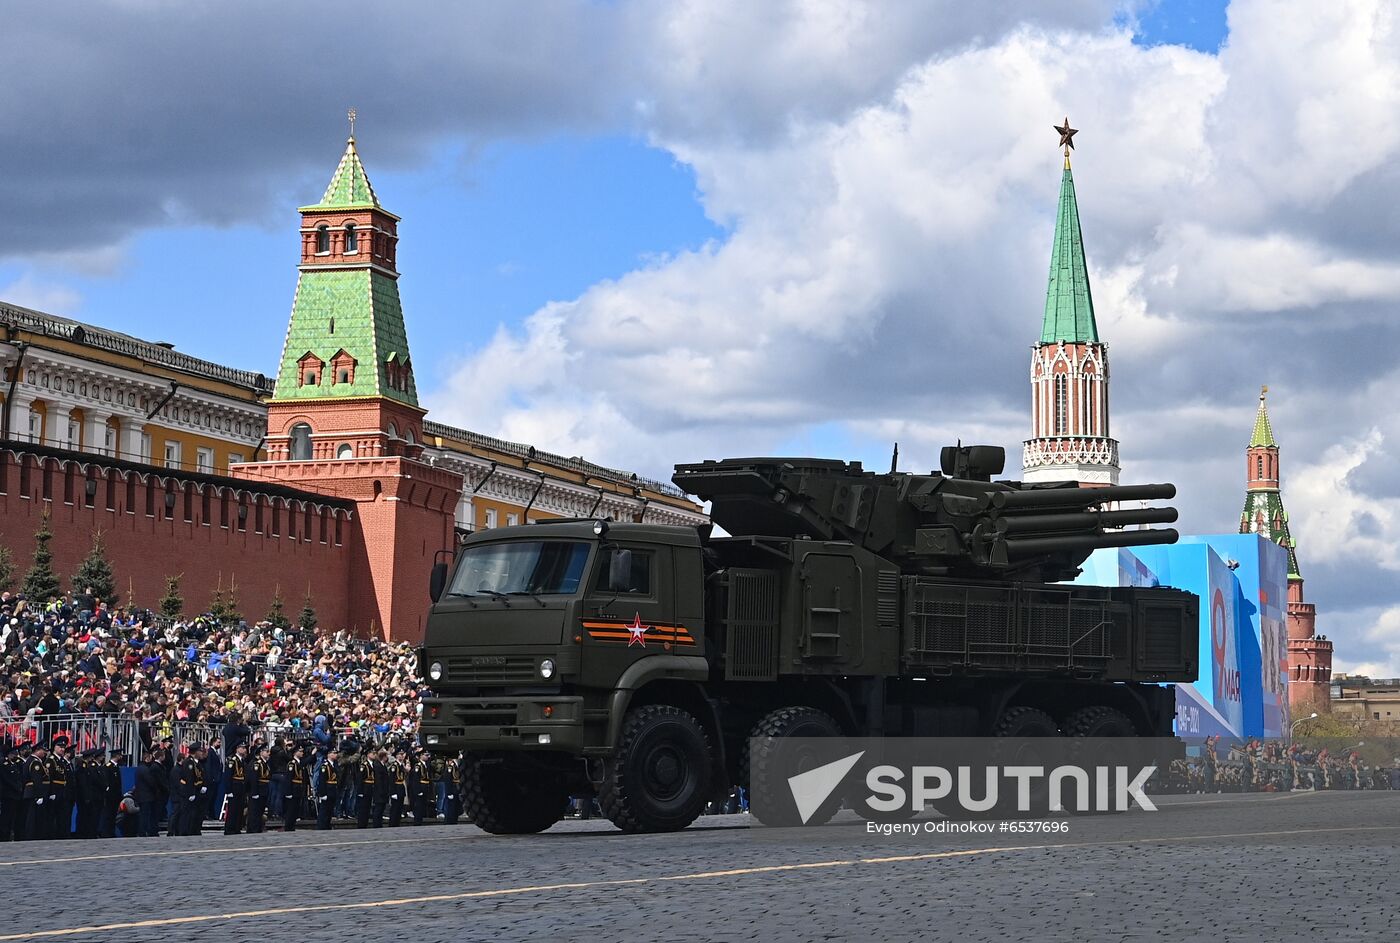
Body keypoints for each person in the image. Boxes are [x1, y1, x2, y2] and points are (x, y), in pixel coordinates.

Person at [22, 743, 52, 841]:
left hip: (31, 792)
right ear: (37, 750)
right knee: (32, 816)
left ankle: (32, 835)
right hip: (33, 792)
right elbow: (37, 780)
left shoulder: (33, 761)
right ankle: (31, 836)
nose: (45, 753)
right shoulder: (35, 762)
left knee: (33, 815)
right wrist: (40, 795)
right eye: (43, 750)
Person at [134, 752, 162, 837]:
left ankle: (143, 831)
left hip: (142, 796)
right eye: (150, 758)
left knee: (144, 814)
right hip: (146, 796)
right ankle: (143, 831)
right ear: (147, 758)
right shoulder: (145, 769)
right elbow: (151, 782)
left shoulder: (140, 768)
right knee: (145, 815)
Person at [223, 742, 249, 835]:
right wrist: (228, 790)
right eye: (242, 747)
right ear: (237, 749)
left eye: (245, 748)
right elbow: (228, 776)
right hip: (234, 786)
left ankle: (237, 828)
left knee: (239, 809)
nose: (244, 749)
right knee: (233, 810)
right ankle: (229, 829)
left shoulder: (242, 761)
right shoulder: (232, 760)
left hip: (241, 787)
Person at [284, 744, 308, 832]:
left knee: (296, 809)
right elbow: (289, 778)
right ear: (295, 753)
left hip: (298, 788)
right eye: (300, 751)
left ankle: (292, 825)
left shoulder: (299, 763)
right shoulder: (292, 764)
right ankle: (288, 826)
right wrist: (288, 792)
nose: (302, 753)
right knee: (291, 809)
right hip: (293, 788)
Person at [247, 744, 270, 834]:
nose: (268, 753)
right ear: (261, 752)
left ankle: (258, 827)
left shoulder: (265, 763)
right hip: (258, 790)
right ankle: (253, 829)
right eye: (266, 751)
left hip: (264, 790)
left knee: (260, 810)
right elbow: (254, 778)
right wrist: (254, 792)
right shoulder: (257, 763)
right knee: (254, 811)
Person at [316, 748, 340, 830]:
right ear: (329, 754)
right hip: (327, 790)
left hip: (333, 790)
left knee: (330, 810)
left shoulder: (334, 764)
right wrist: (322, 793)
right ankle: (321, 826)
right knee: (324, 810)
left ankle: (327, 825)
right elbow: (322, 780)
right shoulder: (325, 766)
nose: (336, 755)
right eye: (334, 753)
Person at [354, 749, 377, 829]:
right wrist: (360, 791)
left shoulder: (373, 764)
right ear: (368, 754)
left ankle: (365, 823)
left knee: (368, 807)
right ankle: (361, 824)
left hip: (371, 788)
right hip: (365, 788)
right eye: (372, 753)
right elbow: (360, 779)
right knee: (363, 808)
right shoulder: (364, 765)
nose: (374, 754)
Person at [409, 750, 432, 826]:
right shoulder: (418, 766)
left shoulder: (426, 765)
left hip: (425, 786)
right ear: (421, 756)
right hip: (421, 786)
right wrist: (418, 790)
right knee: (418, 805)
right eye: (425, 755)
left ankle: (420, 820)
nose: (427, 757)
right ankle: (417, 821)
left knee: (422, 805)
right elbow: (416, 779)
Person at [386, 749, 406, 827]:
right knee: (395, 808)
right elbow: (392, 780)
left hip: (400, 787)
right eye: (399, 754)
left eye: (402, 754)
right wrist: (393, 792)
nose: (401, 756)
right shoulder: (394, 766)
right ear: (396, 756)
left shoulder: (401, 765)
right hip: (396, 788)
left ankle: (397, 823)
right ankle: (393, 824)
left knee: (399, 808)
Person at [442, 753, 463, 825]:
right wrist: (449, 792)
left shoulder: (458, 765)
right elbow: (448, 780)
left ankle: (454, 819)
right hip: (452, 787)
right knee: (451, 806)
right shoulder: (450, 767)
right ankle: (449, 820)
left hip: (457, 787)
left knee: (456, 805)